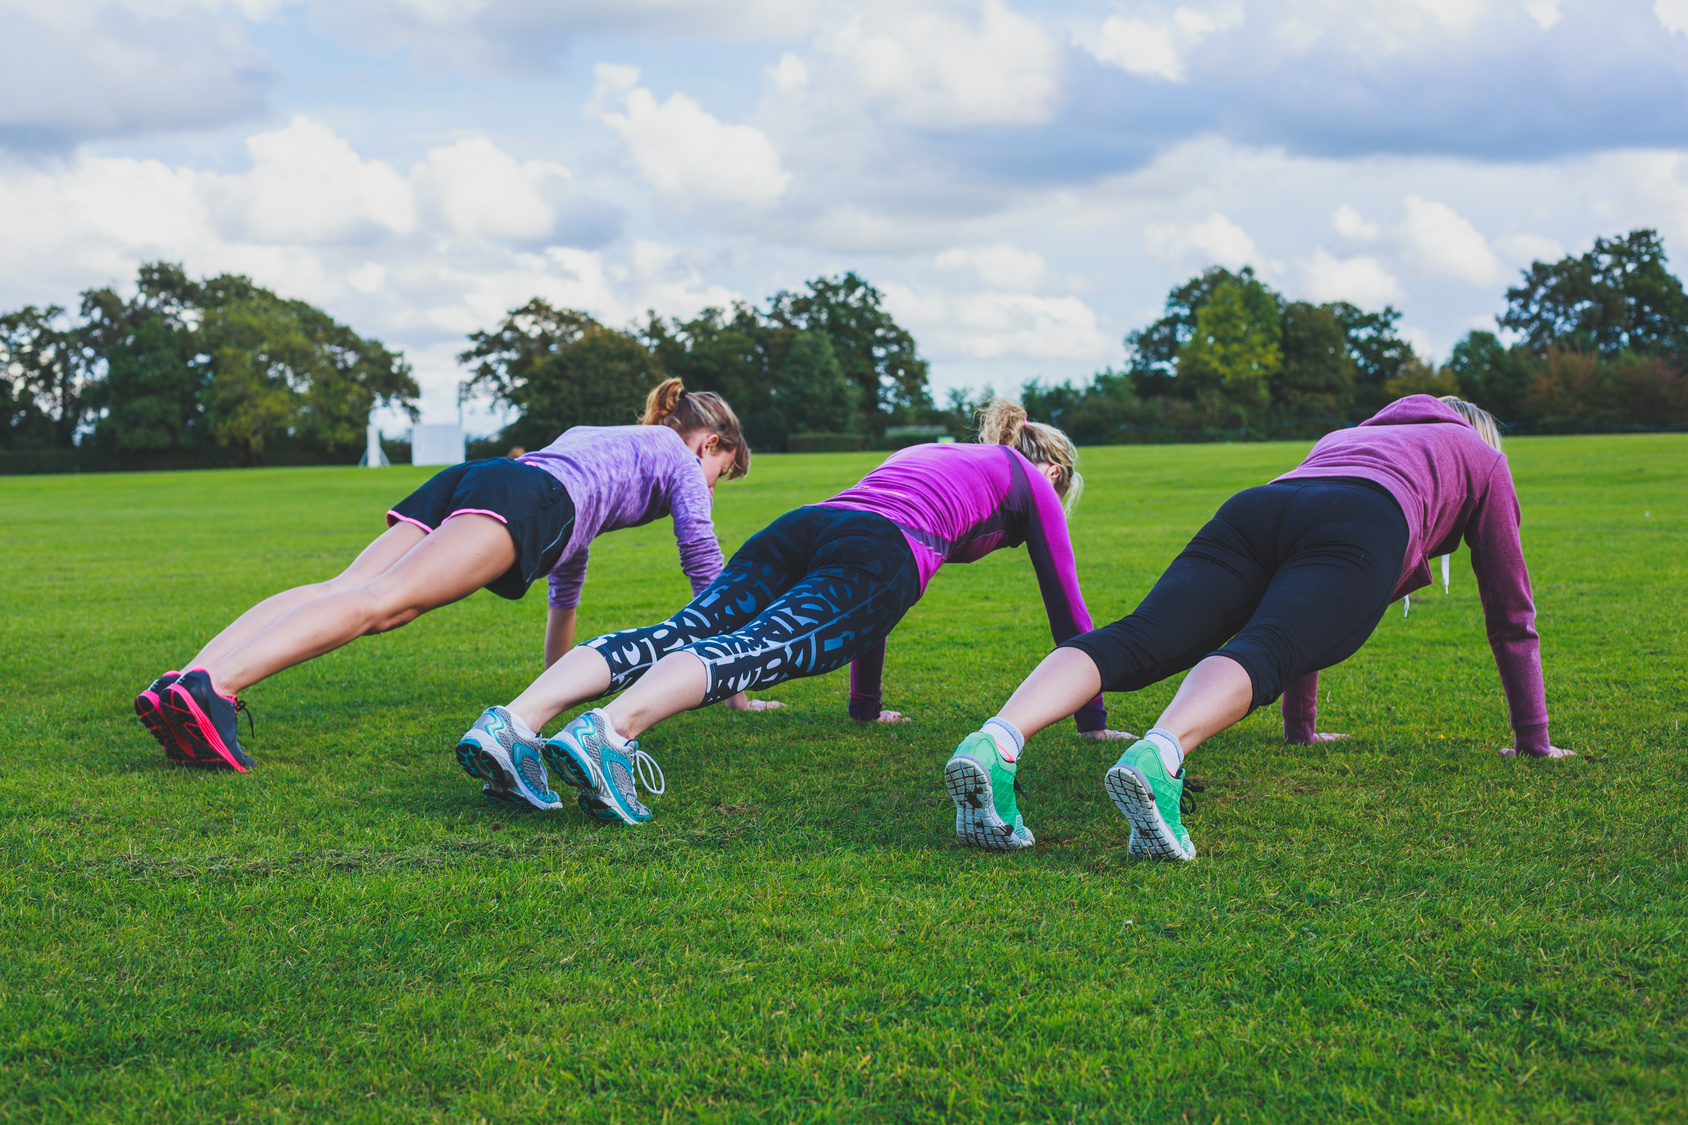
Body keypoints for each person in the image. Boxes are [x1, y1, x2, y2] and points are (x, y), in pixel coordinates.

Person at [945, 394, 1571, 860]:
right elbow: (1512, 616)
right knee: (1266, 645)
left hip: (1257, 507)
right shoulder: (1480, 457)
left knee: (1139, 635)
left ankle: (996, 740)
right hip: (1366, 519)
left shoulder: (1345, 436)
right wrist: (1533, 739)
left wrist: (1302, 730)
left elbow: (1299, 581)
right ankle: (1161, 758)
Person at [458, 400, 1129, 826]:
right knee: (753, 649)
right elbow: (1069, 612)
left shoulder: (936, 454)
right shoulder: (1028, 484)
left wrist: (865, 704)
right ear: (1054, 476)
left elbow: (875, 578)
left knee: (679, 629)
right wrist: (1092, 721)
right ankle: (611, 731)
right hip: (878, 551)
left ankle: (514, 722)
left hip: (805, 526)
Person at [135, 379, 751, 783]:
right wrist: (734, 680)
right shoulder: (678, 457)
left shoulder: (608, 444)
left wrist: (555, 689)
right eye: (724, 470)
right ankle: (217, 688)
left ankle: (185, 682)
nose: (713, 485)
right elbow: (702, 560)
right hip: (532, 500)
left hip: (488, 477)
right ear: (713, 444)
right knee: (383, 603)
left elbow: (566, 591)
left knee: (341, 585)